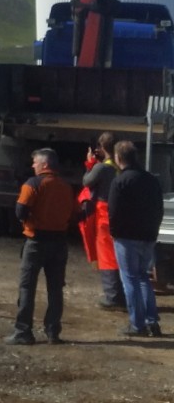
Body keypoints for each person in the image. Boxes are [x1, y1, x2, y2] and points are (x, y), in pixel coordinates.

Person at [5, 147, 74, 345]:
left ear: (44, 164)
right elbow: (73, 212)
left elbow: (20, 210)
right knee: (55, 289)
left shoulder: (32, 184)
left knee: (27, 286)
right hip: (59, 243)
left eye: (35, 162)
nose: (32, 165)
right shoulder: (66, 187)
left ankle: (23, 332)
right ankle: (53, 332)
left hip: (36, 242)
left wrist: (29, 222)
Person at [108, 140, 164, 338]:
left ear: (118, 158)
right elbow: (159, 207)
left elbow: (113, 210)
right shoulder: (150, 179)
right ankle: (152, 322)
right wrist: (154, 230)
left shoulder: (121, 181)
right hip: (148, 236)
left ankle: (137, 324)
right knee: (143, 278)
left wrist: (114, 232)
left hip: (126, 237)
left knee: (129, 278)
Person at [76, 131, 123, 309]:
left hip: (104, 214)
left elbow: (86, 182)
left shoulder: (102, 168)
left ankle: (112, 297)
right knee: (118, 254)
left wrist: (90, 164)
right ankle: (120, 293)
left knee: (106, 255)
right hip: (118, 213)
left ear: (102, 148)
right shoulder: (121, 166)